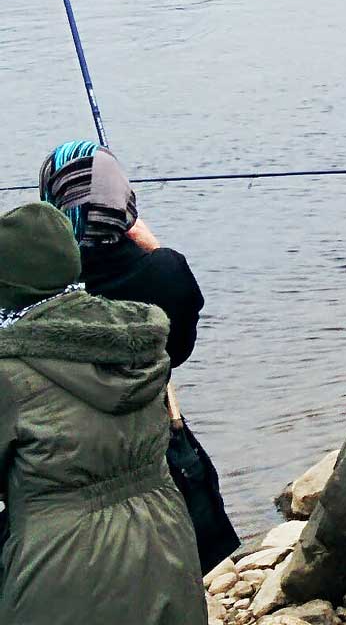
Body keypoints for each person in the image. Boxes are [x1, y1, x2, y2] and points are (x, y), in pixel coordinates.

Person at [0, 201, 206, 625]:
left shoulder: (10, 374)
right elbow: (174, 284)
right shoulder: (140, 341)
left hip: (58, 564)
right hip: (166, 543)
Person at [37, 140, 203, 369]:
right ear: (122, 194)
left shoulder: (33, 279)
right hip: (140, 397)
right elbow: (178, 352)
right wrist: (156, 250)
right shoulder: (167, 270)